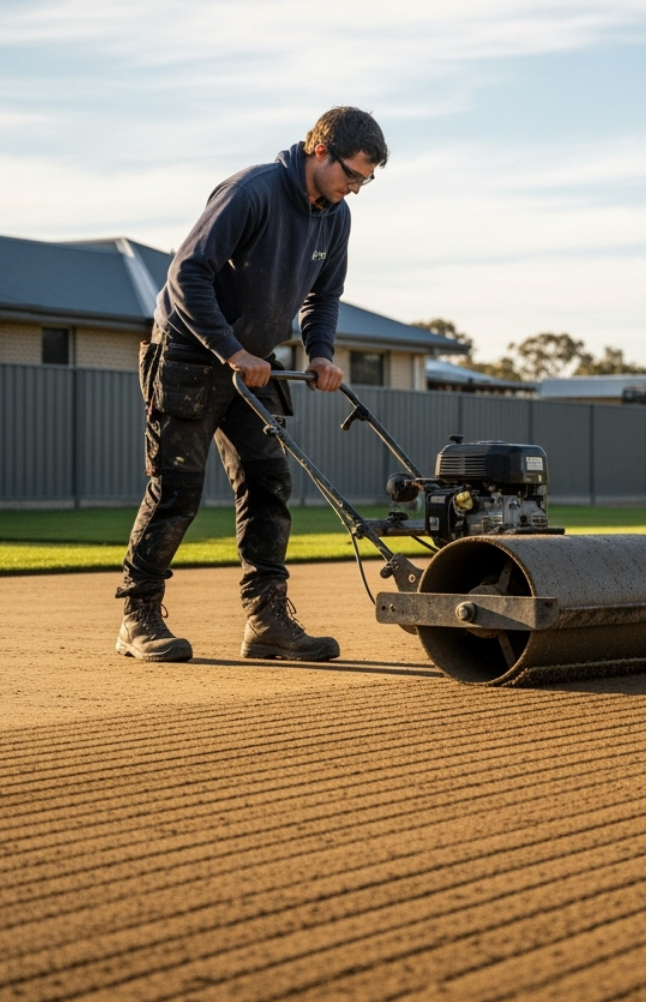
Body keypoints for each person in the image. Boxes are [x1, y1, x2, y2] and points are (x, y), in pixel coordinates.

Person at [114, 107, 386, 663]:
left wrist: (322, 354)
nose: (355, 189)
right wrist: (230, 350)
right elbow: (187, 272)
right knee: (177, 490)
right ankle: (137, 617)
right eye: (352, 175)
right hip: (191, 354)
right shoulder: (252, 191)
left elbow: (323, 297)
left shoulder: (334, 217)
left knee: (268, 484)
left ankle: (267, 621)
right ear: (320, 151)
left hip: (253, 363)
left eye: (365, 181)